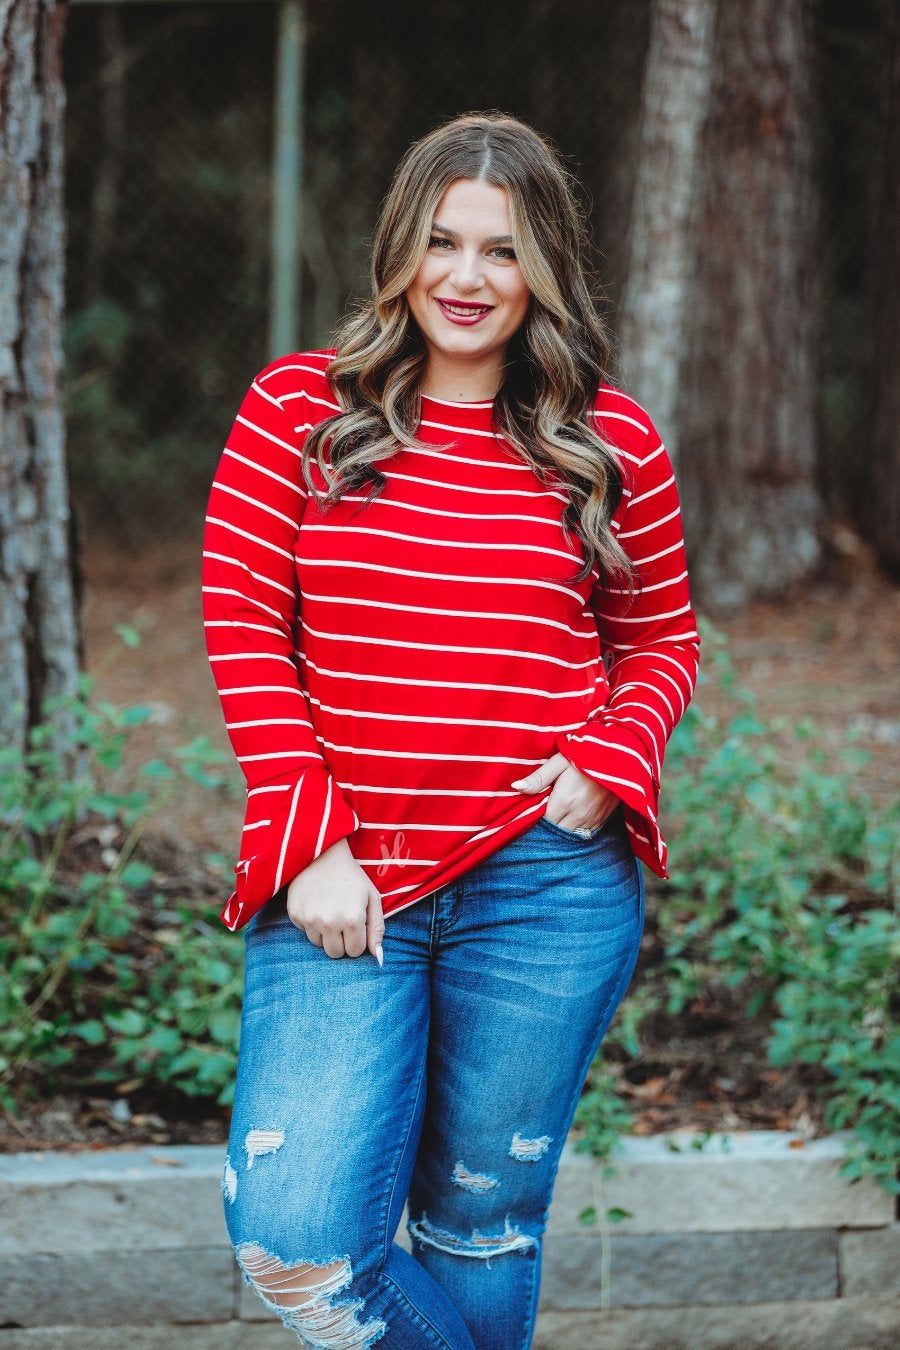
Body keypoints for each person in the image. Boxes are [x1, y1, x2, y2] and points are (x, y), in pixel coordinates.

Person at [201, 111, 700, 1350]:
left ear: (545, 269)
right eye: (442, 243)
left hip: (546, 881)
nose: (466, 278)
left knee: (481, 1227)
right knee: (298, 1233)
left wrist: (608, 760)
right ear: (398, 253)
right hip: (344, 879)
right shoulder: (299, 414)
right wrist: (307, 837)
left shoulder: (604, 440)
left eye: (502, 249)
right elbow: (243, 625)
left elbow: (663, 642)